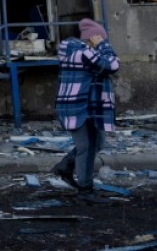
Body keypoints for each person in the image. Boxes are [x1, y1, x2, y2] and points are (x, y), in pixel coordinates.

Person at [52, 18, 120, 204]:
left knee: (96, 143)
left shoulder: (79, 52)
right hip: (80, 106)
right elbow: (112, 65)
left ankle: (66, 165)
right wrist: (104, 45)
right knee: (87, 147)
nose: (102, 42)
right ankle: (85, 191)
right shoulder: (84, 53)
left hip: (85, 105)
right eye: (100, 38)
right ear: (93, 38)